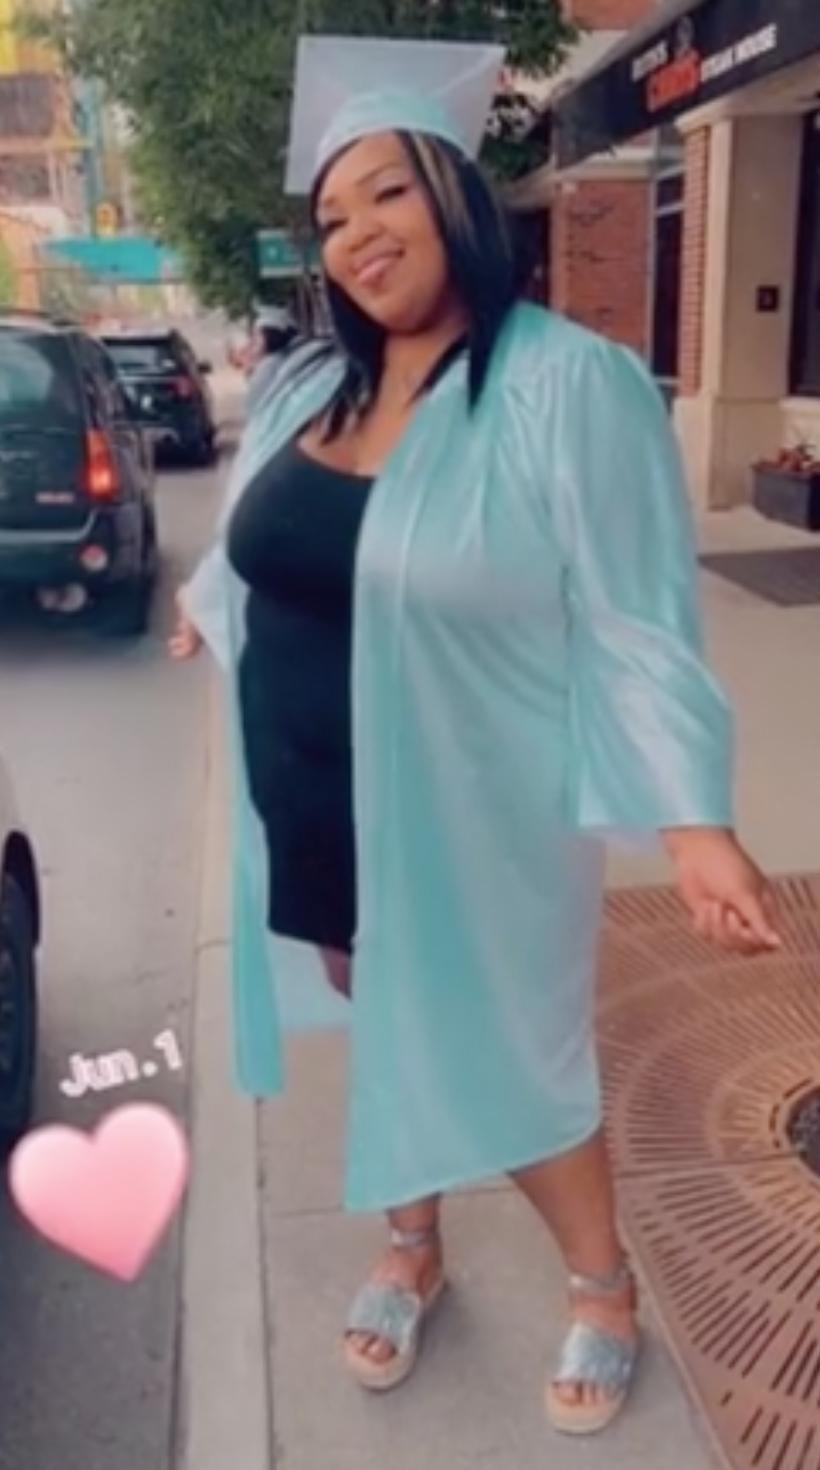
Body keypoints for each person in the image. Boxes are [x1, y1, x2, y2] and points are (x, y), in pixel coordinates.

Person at [169, 35, 781, 1438]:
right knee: (380, 1015)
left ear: (454, 195)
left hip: (473, 804)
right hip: (316, 803)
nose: (360, 234)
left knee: (517, 1056)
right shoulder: (311, 385)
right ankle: (413, 1245)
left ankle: (604, 1287)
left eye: (388, 192)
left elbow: (634, 613)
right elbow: (269, 534)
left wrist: (693, 821)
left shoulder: (569, 386)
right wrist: (207, 608)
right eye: (333, 216)